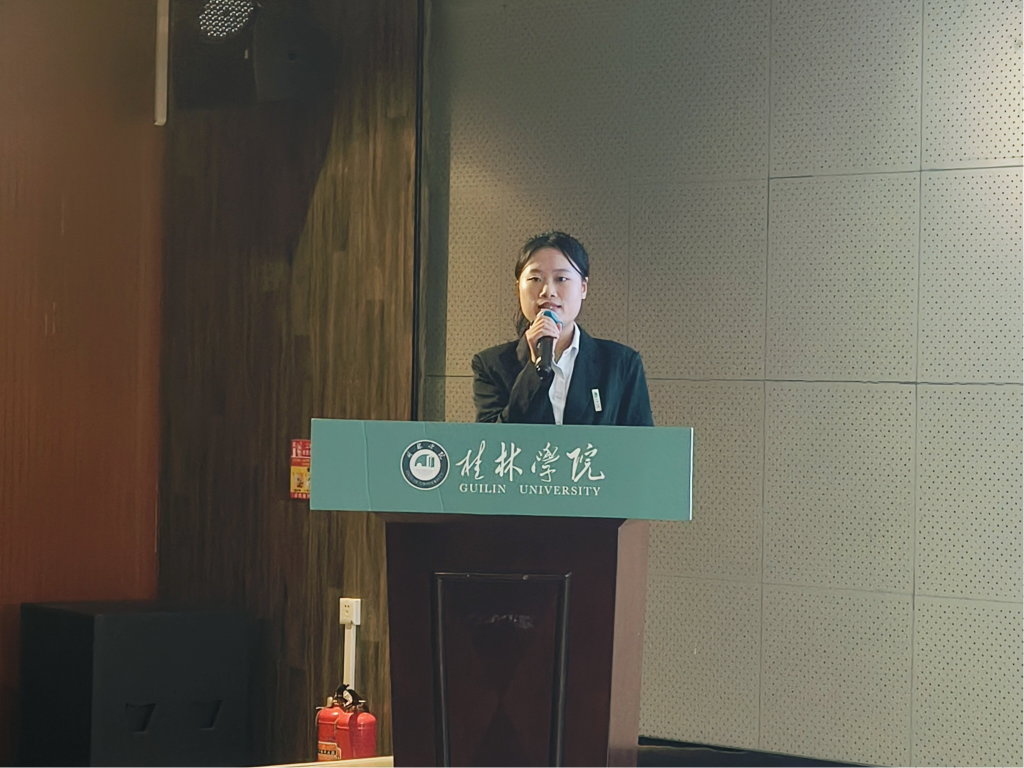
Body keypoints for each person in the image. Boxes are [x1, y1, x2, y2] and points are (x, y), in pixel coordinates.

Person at [472, 231, 654, 426]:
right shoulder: (491, 365)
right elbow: (490, 440)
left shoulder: (621, 364)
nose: (547, 291)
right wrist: (534, 369)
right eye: (535, 279)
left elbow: (639, 441)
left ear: (583, 288)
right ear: (518, 287)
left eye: (561, 279)